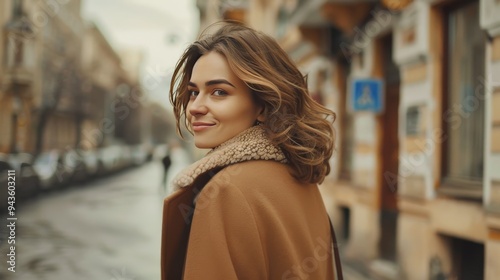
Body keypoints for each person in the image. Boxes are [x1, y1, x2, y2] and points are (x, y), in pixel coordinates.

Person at [161, 22, 342, 280]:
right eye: (193, 92)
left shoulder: (225, 190)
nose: (195, 107)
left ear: (263, 105)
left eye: (219, 92)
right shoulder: (300, 176)